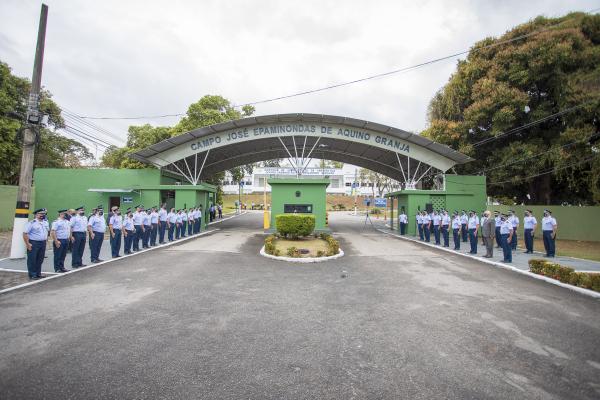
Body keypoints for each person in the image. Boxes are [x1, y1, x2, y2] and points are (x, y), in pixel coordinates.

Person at [23, 208, 49, 280]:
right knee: (32, 259)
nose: (42, 215)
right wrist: (28, 244)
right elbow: (25, 234)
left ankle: (38, 273)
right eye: (40, 214)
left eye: (43, 214)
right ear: (36, 215)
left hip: (42, 243)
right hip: (34, 243)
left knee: (40, 259)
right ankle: (32, 274)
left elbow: (46, 232)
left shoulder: (45, 222)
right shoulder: (32, 223)